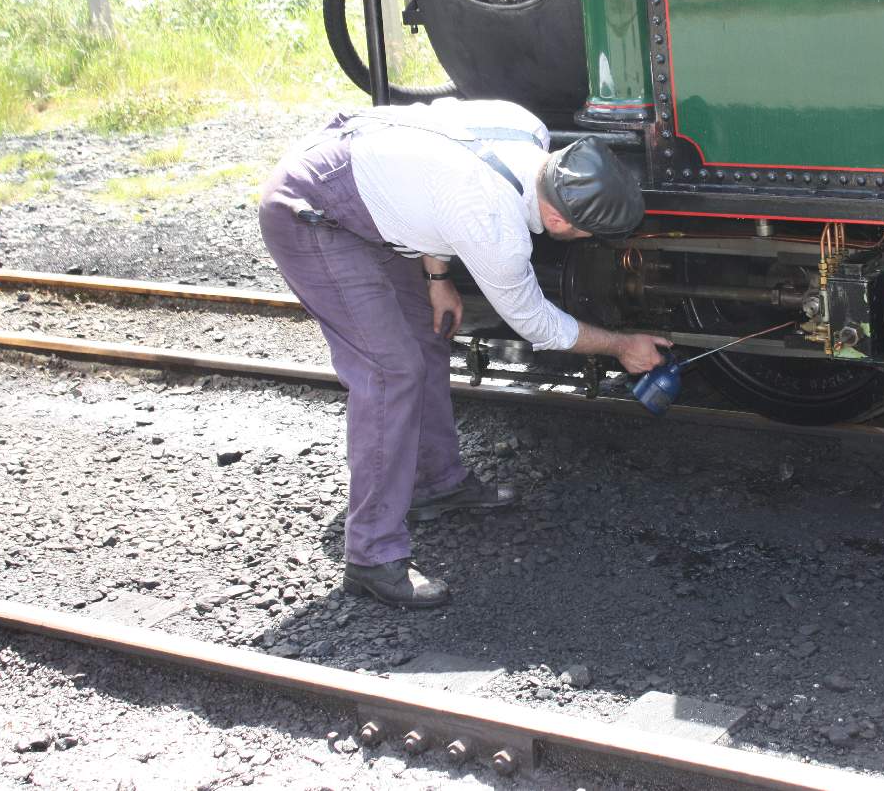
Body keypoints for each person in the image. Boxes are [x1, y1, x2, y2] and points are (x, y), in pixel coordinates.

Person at [258, 99, 670, 608]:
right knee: (391, 371)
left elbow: (433, 177)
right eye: (590, 235)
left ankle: (434, 481)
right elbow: (535, 323)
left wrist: (437, 277)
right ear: (560, 222)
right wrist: (621, 345)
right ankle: (371, 554)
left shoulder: (528, 127)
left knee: (429, 338)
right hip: (313, 213)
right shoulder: (496, 227)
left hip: (367, 190)